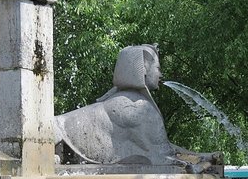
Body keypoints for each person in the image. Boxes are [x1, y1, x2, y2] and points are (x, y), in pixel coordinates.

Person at [55, 44, 221, 170]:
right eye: (158, 68)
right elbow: (157, 156)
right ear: (143, 70)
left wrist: (202, 157)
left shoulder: (127, 101)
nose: (161, 75)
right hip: (56, 135)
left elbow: (163, 147)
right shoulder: (134, 107)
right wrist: (199, 162)